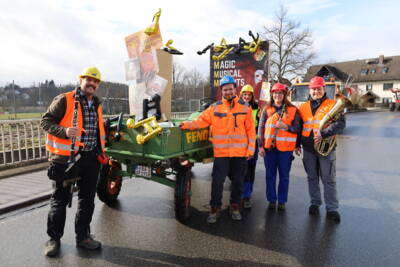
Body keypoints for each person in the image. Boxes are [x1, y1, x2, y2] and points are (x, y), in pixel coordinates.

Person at [41, 66, 106, 256]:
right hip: (65, 160)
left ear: (98, 85)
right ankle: (54, 239)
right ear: (81, 80)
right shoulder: (65, 99)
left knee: (87, 200)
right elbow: (45, 121)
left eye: (95, 81)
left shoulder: (97, 104)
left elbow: (98, 131)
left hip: (91, 159)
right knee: (59, 201)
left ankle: (83, 237)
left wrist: (102, 152)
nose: (91, 83)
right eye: (88, 79)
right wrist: (65, 131)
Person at [180, 75, 256, 223]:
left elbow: (251, 131)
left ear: (235, 89)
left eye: (230, 89)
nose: (228, 92)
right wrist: (187, 125)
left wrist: (250, 150)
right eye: (225, 89)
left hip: (240, 154)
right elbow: (200, 121)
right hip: (221, 154)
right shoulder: (214, 108)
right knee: (217, 183)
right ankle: (215, 209)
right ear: (222, 91)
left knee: (238, 183)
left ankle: (234, 207)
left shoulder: (245, 108)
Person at [297, 76, 345, 222]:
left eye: (318, 88)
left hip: (326, 148)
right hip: (309, 149)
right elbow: (300, 127)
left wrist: (323, 133)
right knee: (312, 178)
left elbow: (340, 124)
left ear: (324, 89)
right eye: (313, 89)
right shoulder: (303, 107)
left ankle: (332, 209)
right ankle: (315, 203)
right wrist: (296, 144)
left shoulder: (333, 104)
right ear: (309, 90)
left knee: (328, 179)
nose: (316, 91)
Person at [258, 82, 301, 211]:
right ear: (272, 94)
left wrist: (286, 127)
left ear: (284, 95)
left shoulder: (293, 110)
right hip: (269, 150)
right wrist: (260, 146)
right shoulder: (266, 109)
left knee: (284, 176)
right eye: (275, 93)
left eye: (280, 93)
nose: (278, 95)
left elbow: (298, 128)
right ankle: (272, 200)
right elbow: (260, 129)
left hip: (285, 151)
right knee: (270, 176)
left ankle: (282, 201)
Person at [239, 84, 259, 208]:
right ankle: (244, 194)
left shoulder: (257, 108)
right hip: (241, 144)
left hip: (253, 143)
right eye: (245, 94)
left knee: (251, 169)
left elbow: (259, 126)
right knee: (243, 170)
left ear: (252, 96)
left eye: (249, 95)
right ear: (242, 95)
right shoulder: (237, 106)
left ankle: (248, 195)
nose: (246, 96)